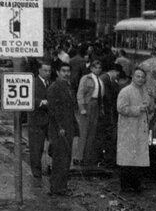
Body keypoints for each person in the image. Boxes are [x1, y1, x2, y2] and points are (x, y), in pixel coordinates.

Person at [116, 67, 154, 193]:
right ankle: (125, 186)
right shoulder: (125, 91)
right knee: (127, 158)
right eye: (137, 76)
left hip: (140, 129)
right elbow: (121, 108)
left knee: (138, 158)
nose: (140, 79)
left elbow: (150, 107)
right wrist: (138, 109)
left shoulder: (145, 92)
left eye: (142, 77)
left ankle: (136, 184)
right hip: (128, 129)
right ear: (132, 77)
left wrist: (152, 102)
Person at [46, 64, 77, 196]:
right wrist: (60, 127)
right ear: (58, 72)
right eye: (63, 71)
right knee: (59, 158)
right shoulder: (55, 87)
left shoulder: (67, 86)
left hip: (68, 127)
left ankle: (62, 186)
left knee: (66, 158)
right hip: (59, 129)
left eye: (68, 71)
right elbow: (53, 110)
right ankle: (56, 188)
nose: (66, 74)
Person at [76, 59, 105, 166]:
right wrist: (82, 107)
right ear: (91, 68)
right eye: (96, 67)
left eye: (99, 68)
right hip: (88, 104)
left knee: (92, 132)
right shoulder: (86, 78)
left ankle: (87, 156)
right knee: (84, 131)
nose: (98, 70)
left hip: (96, 104)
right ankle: (79, 156)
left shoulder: (100, 80)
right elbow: (80, 93)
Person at [27, 60, 52, 180]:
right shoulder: (33, 82)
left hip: (49, 120)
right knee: (36, 148)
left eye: (49, 71)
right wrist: (41, 102)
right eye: (45, 70)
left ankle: (48, 168)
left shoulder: (50, 83)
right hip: (36, 120)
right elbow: (28, 97)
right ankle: (36, 173)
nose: (47, 73)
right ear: (39, 71)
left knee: (50, 146)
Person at [99, 64, 123, 167]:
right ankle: (106, 158)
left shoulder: (108, 79)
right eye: (117, 74)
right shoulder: (105, 79)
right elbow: (108, 97)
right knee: (108, 135)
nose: (116, 77)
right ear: (113, 71)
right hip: (106, 111)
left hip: (108, 111)